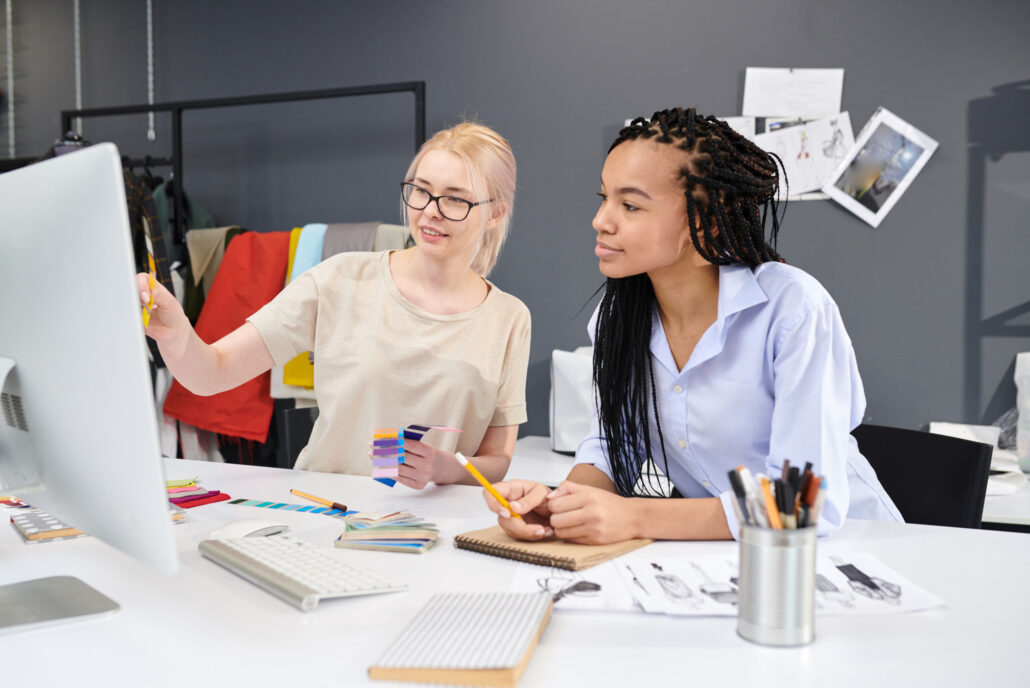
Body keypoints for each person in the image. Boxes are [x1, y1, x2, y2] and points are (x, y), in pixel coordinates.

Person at [484, 107, 901, 543]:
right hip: (725, 555)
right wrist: (562, 507)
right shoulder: (618, 316)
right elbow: (611, 445)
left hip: (847, 549)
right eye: (603, 198)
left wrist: (632, 517)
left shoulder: (793, 309)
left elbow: (798, 502)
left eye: (629, 205)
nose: (601, 220)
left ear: (703, 217)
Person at [139, 122, 531, 490]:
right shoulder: (340, 280)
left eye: (455, 199)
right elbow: (212, 373)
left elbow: (497, 459)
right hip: (329, 512)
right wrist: (174, 331)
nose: (430, 210)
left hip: (432, 528)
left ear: (495, 212)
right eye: (421, 190)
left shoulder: (508, 318)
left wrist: (446, 469)